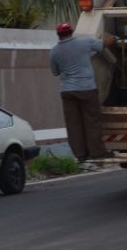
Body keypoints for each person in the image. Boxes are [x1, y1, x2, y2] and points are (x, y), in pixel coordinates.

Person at [50, 22, 118, 162]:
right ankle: (98, 153)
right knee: (92, 121)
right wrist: (115, 39)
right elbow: (104, 43)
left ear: (58, 35)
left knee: (73, 123)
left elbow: (55, 72)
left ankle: (81, 155)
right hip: (87, 89)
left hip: (67, 91)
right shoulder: (84, 43)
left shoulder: (54, 51)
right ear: (72, 31)